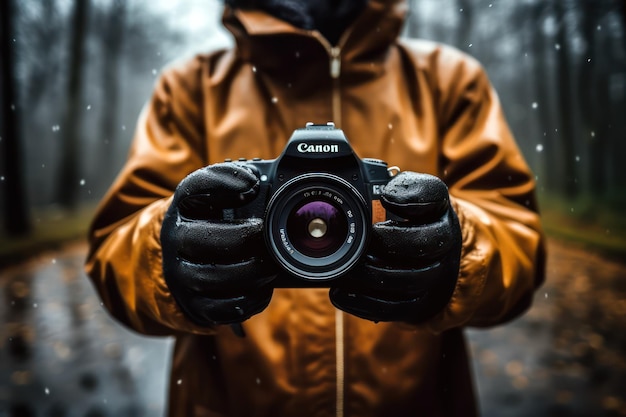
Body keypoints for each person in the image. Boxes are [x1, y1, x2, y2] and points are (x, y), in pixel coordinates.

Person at [85, 0, 546, 416]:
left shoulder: (450, 81)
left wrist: (457, 254)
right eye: (305, 219)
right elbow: (114, 251)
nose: (317, 223)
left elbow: (519, 241)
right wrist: (167, 257)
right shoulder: (190, 88)